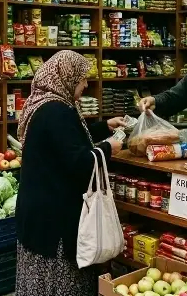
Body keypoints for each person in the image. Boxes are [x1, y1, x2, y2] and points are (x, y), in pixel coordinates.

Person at [15, 50, 126, 296]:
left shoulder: (46, 104)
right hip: (53, 217)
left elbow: (67, 141)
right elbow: (79, 162)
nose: (86, 84)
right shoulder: (58, 111)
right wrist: (109, 148)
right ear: (67, 77)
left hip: (37, 211)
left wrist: (104, 127)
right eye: (82, 78)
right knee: (59, 282)